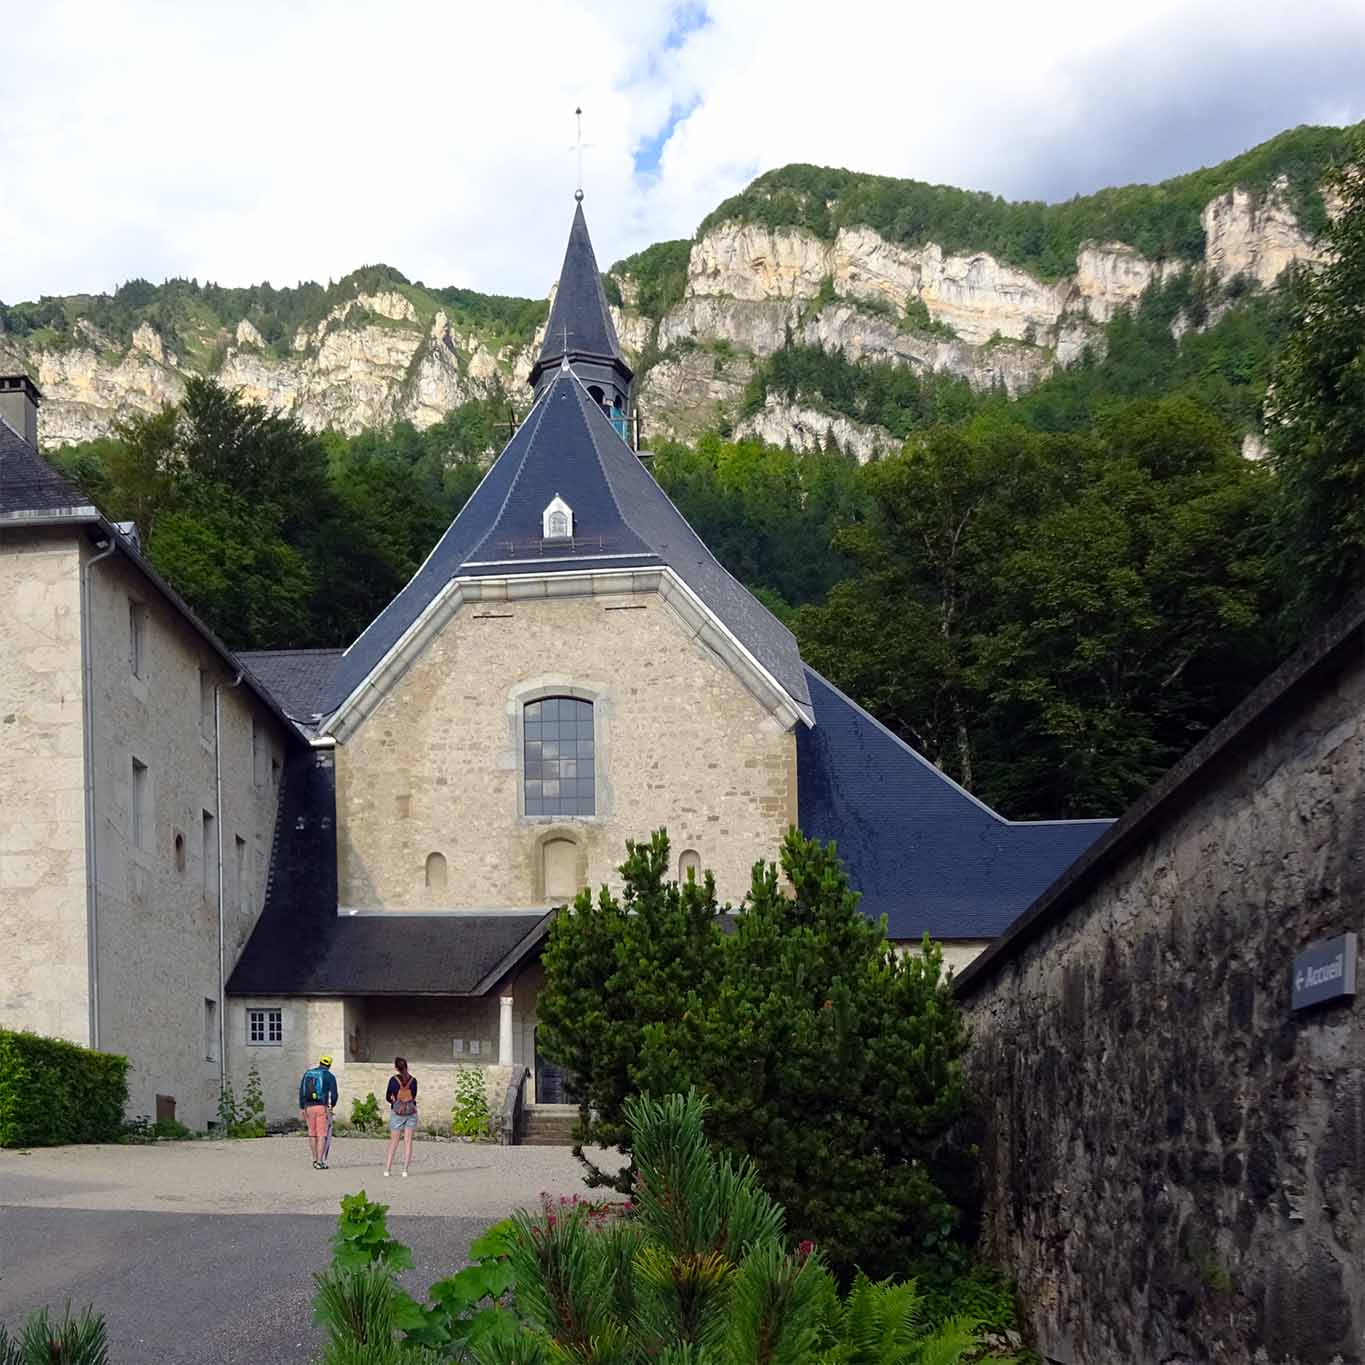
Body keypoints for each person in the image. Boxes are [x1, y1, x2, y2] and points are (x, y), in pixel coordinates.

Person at [299, 1054, 338, 1169]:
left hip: (309, 1107)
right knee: (322, 1134)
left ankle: (315, 1159)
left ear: (320, 1062)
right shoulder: (330, 1076)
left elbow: (302, 1091)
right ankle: (320, 1161)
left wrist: (302, 1107)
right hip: (322, 1107)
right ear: (329, 1065)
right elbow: (334, 1094)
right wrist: (332, 1106)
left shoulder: (308, 1074)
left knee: (312, 1133)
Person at [383, 1056, 418, 1178]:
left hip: (397, 1112)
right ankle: (405, 1170)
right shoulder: (413, 1081)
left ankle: (388, 1169)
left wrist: (393, 1100)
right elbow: (413, 1096)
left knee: (394, 1142)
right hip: (411, 1112)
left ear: (396, 1067)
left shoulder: (393, 1080)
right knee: (408, 1141)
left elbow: (388, 1096)